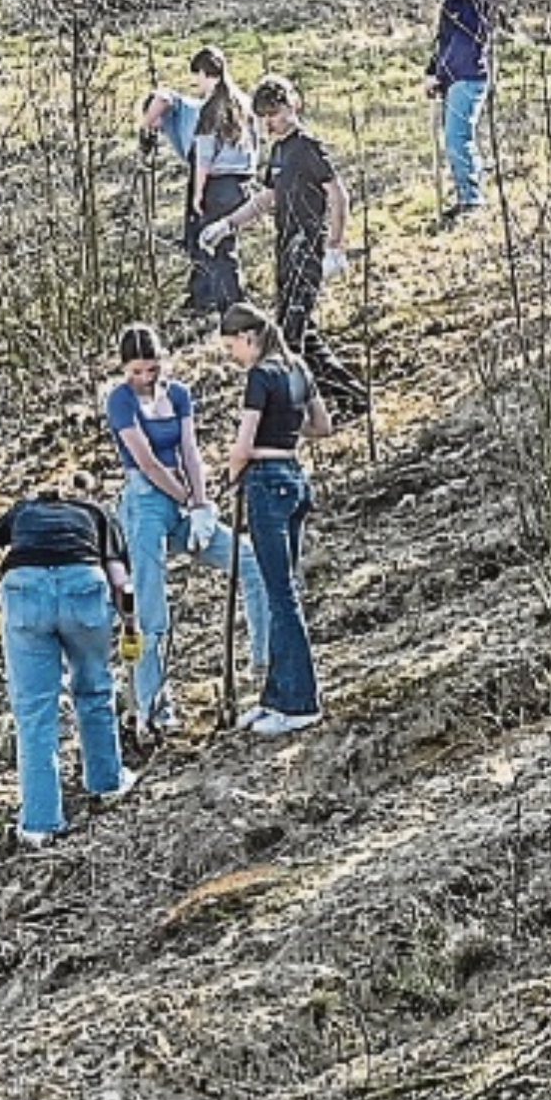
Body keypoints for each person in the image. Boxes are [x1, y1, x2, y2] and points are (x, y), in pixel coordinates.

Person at [0, 476, 140, 847]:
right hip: (83, 586)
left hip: (24, 592)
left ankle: (40, 822)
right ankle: (107, 782)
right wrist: (130, 628)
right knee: (95, 690)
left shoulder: (23, 512)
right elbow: (121, 581)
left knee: (35, 710)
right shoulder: (98, 513)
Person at [106, 323, 269, 738]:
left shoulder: (178, 394)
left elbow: (190, 452)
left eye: (152, 368)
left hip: (183, 498)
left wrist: (201, 504)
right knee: (150, 612)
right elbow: (146, 460)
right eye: (138, 371)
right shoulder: (120, 401)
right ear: (126, 369)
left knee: (247, 559)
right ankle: (153, 708)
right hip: (145, 503)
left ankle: (265, 663)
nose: (146, 377)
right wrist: (184, 498)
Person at [202, 75, 370, 417]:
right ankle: (349, 399)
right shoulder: (278, 151)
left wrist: (335, 247)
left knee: (292, 335)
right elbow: (267, 198)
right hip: (284, 248)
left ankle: (309, 409)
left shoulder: (307, 147)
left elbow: (338, 194)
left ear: (292, 106)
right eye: (263, 116)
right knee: (300, 332)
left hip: (307, 247)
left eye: (274, 114)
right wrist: (227, 224)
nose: (270, 122)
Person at [218, 301, 336, 736]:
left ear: (249, 338)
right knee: (280, 591)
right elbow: (321, 426)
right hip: (295, 477)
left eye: (233, 347)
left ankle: (301, 701)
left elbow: (242, 444)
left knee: (281, 596)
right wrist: (284, 428)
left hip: (266, 482)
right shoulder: (298, 368)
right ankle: (274, 697)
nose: (234, 356)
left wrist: (229, 479)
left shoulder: (260, 374)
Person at [423, 0, 503, 219]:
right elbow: (443, 43)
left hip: (468, 76)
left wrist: (441, 76)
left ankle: (472, 200)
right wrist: (431, 72)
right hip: (453, 78)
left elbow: (464, 43)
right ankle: (465, 197)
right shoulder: (452, 1)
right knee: (454, 139)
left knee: (458, 138)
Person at [180, 47, 254, 313]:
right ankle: (233, 302)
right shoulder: (244, 104)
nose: (196, 83)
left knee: (215, 248)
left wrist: (198, 194)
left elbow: (204, 157)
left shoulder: (211, 110)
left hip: (217, 185)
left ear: (203, 73)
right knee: (229, 246)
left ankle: (231, 306)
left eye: (196, 76)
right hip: (241, 184)